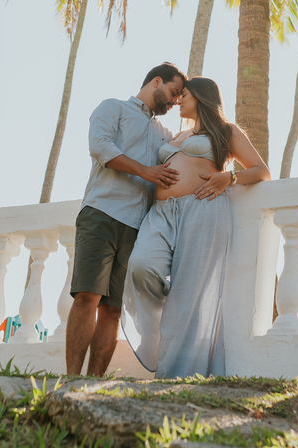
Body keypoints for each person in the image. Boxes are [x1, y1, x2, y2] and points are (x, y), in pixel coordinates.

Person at [123, 77, 270, 379]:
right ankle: (170, 317)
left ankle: (176, 377)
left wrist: (229, 178)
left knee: (189, 295)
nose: (178, 100)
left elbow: (261, 171)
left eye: (184, 95)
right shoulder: (179, 134)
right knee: (141, 266)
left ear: (201, 98)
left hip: (202, 210)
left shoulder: (226, 132)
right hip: (162, 213)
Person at [65, 62, 187, 376]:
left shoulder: (166, 134)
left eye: (178, 99)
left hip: (138, 228)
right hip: (101, 213)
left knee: (114, 310)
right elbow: (100, 146)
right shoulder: (113, 108)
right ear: (156, 81)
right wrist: (146, 171)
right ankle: (70, 380)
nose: (174, 103)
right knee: (87, 297)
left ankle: (92, 384)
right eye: (172, 94)